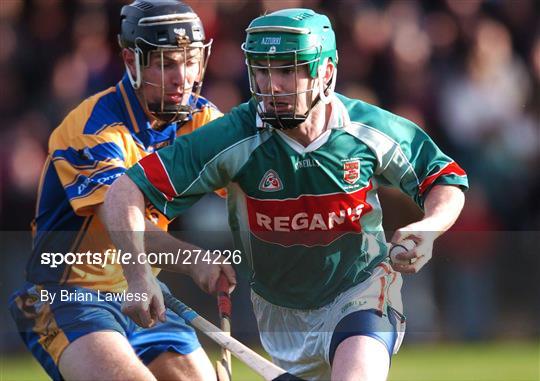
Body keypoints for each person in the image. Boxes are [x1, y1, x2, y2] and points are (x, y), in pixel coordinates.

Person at [104, 8, 468, 381]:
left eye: (287, 70)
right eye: (261, 71)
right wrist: (138, 276)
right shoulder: (235, 136)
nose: (272, 86)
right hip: (279, 317)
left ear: (325, 72)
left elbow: (445, 178)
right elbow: (123, 192)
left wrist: (430, 228)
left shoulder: (366, 129)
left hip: (361, 290)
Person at [9, 1, 235, 380]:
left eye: (191, 60)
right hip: (70, 296)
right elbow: (120, 219)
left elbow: (253, 186)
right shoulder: (95, 129)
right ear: (132, 61)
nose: (183, 77)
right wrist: (193, 259)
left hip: (143, 289)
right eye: (166, 63)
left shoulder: (200, 118)